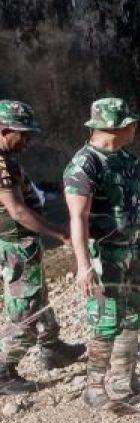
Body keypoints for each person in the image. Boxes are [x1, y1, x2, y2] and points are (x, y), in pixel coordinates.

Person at [64, 98, 140, 410]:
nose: (135, 128)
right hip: (104, 256)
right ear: (114, 127)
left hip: (134, 250)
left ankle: (123, 382)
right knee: (106, 322)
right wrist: (83, 266)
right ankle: (94, 388)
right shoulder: (83, 165)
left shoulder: (127, 158)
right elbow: (77, 218)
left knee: (133, 317)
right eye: (130, 124)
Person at [0, 101, 84, 394]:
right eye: (23, 134)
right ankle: (3, 369)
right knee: (26, 309)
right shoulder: (0, 164)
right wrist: (59, 233)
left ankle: (52, 347)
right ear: (5, 130)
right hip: (15, 246)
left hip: (20, 244)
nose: (28, 141)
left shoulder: (7, 159)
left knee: (38, 294)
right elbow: (17, 211)